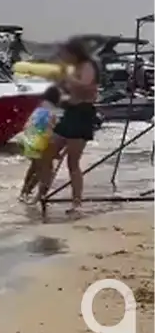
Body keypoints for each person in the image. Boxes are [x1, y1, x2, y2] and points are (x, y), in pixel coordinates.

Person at [36, 37, 101, 214]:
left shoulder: (87, 65)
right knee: (47, 152)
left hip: (83, 114)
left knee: (73, 162)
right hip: (71, 113)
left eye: (65, 54)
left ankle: (76, 203)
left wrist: (68, 78)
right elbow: (68, 89)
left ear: (74, 53)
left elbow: (87, 86)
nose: (63, 57)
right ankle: (42, 193)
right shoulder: (74, 68)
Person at [18, 85, 62, 203]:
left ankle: (24, 192)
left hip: (27, 138)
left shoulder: (39, 108)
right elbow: (50, 129)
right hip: (39, 141)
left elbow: (27, 126)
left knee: (34, 167)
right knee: (46, 170)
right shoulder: (52, 111)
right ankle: (36, 197)